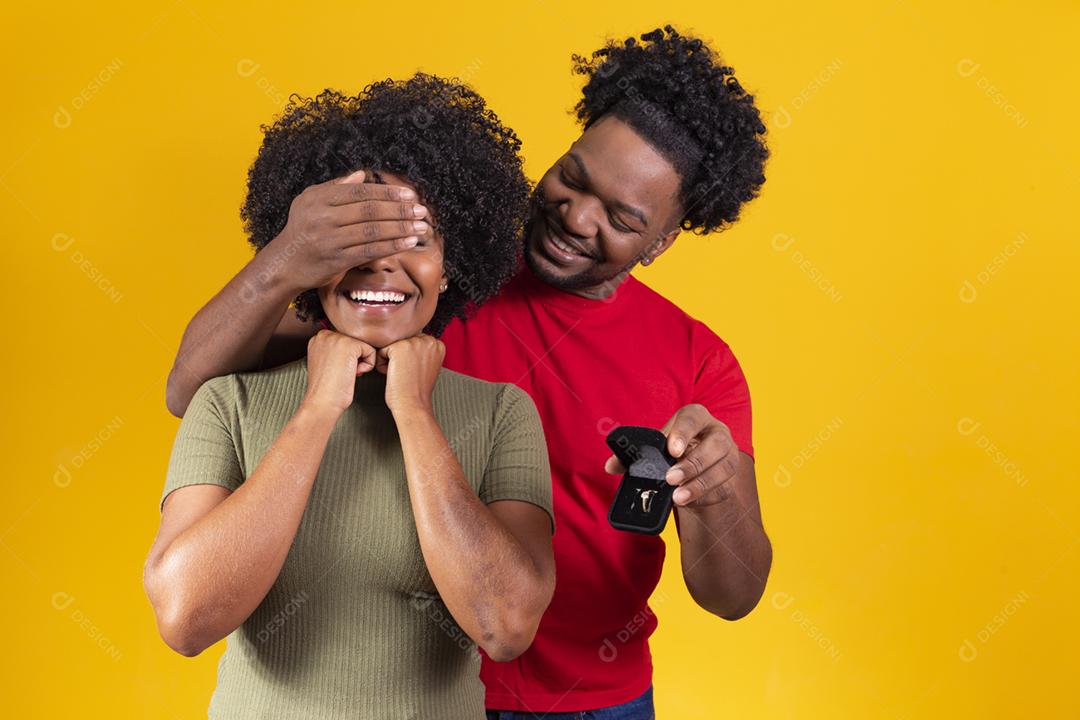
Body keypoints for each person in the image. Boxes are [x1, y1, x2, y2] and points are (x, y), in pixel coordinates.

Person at [165, 26, 773, 719]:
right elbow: (191, 387)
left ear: (662, 240)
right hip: (424, 688)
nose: (576, 215)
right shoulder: (429, 280)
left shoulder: (697, 360)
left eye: (621, 217)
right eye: (573, 177)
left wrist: (716, 495)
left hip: (593, 699)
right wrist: (285, 257)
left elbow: (734, 595)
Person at [143, 74, 556, 720]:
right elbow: (185, 619)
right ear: (315, 260)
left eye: (416, 240)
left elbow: (505, 626)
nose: (382, 264)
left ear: (450, 266)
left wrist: (414, 413)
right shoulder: (229, 401)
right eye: (355, 241)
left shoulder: (501, 413)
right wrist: (317, 409)